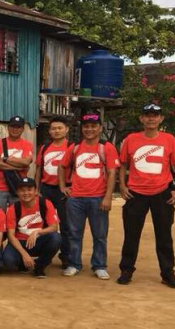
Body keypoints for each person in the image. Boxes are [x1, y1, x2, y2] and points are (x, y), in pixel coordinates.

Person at [117, 103, 175, 287]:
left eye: (155, 115)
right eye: (147, 115)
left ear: (161, 119)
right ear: (141, 119)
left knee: (164, 235)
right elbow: (123, 164)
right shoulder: (131, 139)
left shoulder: (169, 139)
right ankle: (126, 269)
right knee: (131, 234)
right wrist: (122, 186)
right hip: (135, 194)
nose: (151, 118)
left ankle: (168, 272)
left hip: (162, 193)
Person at [58, 112, 118, 279]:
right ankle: (73, 263)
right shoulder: (75, 147)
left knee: (99, 234)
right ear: (82, 128)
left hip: (98, 198)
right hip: (75, 198)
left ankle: (99, 265)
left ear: (100, 128)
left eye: (93, 126)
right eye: (86, 126)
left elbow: (112, 173)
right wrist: (63, 186)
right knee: (74, 233)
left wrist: (107, 197)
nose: (89, 129)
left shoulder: (106, 147)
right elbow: (62, 167)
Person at [3, 178, 61, 278]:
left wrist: (38, 232)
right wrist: (24, 254)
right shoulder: (14, 208)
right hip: (20, 241)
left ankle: (40, 266)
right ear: (17, 192)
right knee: (9, 261)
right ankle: (23, 264)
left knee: (56, 238)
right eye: (22, 190)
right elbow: (11, 236)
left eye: (29, 189)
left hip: (38, 241)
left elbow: (54, 227)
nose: (26, 193)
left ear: (36, 191)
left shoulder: (45, 203)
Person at [35, 116, 72, 268]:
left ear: (66, 129)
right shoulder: (44, 148)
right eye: (53, 129)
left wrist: (72, 186)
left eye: (59, 128)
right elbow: (38, 169)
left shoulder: (72, 147)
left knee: (66, 225)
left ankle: (66, 256)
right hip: (46, 189)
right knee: (44, 224)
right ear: (49, 131)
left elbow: (76, 169)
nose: (56, 131)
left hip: (64, 191)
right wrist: (37, 189)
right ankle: (45, 256)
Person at [0, 116, 34, 210]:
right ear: (8, 127)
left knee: (18, 218)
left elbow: (25, 162)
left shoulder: (27, 144)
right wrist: (17, 167)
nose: (15, 129)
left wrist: (4, 159)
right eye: (13, 126)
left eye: (18, 127)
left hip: (19, 188)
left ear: (22, 129)